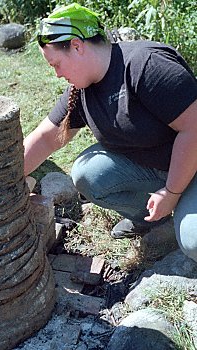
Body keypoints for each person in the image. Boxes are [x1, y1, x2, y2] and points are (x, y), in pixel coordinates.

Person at [24, 3, 197, 262]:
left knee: (193, 243)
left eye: (56, 64)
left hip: (191, 163)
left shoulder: (146, 65)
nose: (57, 74)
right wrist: (3, 179)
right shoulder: (82, 90)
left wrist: (171, 193)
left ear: (77, 46)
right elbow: (47, 137)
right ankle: (152, 220)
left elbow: (193, 129)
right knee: (87, 173)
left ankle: (180, 207)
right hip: (156, 168)